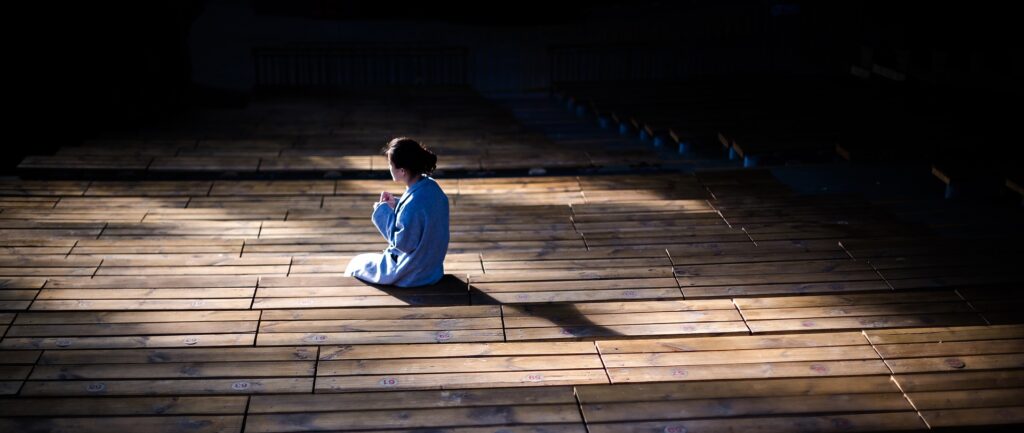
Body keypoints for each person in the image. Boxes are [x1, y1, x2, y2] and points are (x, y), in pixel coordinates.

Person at [344, 137, 449, 287]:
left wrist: (383, 212)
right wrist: (397, 204)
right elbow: (423, 215)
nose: (389, 168)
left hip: (412, 274)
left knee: (355, 264)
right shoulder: (433, 188)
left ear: (402, 171)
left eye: (390, 164)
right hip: (431, 270)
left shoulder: (412, 204)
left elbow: (402, 244)